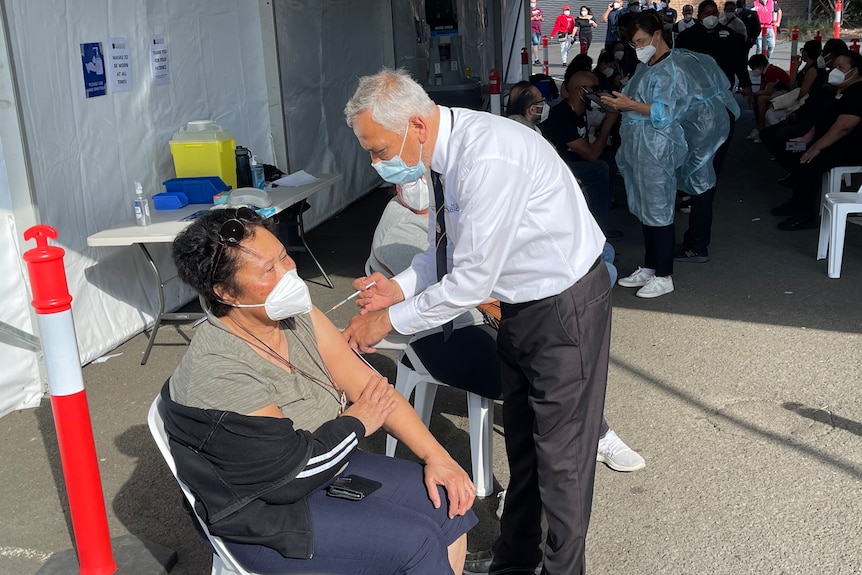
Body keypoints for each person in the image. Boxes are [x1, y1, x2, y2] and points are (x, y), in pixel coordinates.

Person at [343, 68, 611, 575]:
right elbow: (442, 250)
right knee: (528, 448)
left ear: (416, 124)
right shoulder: (443, 153)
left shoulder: (487, 157)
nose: (376, 162)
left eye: (378, 150)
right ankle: (515, 561)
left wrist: (387, 322)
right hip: (522, 307)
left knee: (563, 461)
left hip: (563, 305)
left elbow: (468, 282)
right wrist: (396, 287)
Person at [163, 207, 478, 575]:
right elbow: (290, 477)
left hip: (327, 462)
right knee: (416, 542)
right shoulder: (219, 368)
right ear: (224, 292)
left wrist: (439, 457)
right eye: (269, 270)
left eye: (284, 257)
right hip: (264, 512)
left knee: (449, 503)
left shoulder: (294, 314)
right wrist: (357, 420)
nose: (288, 275)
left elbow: (371, 391)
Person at [600, 12, 738, 298]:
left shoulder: (671, 70)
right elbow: (637, 101)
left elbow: (666, 112)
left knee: (660, 209)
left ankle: (664, 275)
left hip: (658, 147)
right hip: (639, 147)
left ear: (658, 35)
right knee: (645, 208)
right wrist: (618, 103)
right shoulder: (646, 66)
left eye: (641, 41)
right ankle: (650, 267)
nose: (637, 48)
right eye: (633, 43)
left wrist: (631, 104)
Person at [674, 0, 751, 263]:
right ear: (697, 16)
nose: (710, 18)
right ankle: (695, 239)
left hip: (703, 115)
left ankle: (696, 244)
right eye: (704, 14)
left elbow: (740, 64)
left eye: (713, 14)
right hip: (706, 112)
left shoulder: (729, 36)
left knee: (703, 182)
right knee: (702, 182)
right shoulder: (686, 37)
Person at [773, 51, 862, 231]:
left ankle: (805, 215)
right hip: (826, 141)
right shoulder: (840, 90)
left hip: (849, 147)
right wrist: (807, 139)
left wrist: (815, 147)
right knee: (791, 148)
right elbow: (823, 121)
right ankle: (796, 201)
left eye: (840, 67)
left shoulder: (858, 93)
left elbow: (843, 127)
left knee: (808, 161)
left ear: (854, 71)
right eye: (834, 66)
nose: (835, 71)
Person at [541, 70, 619, 234]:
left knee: (609, 159)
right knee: (599, 168)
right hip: (557, 165)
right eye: (593, 88)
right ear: (579, 90)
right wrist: (607, 124)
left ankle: (602, 215)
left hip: (571, 158)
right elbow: (590, 155)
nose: (596, 93)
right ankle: (596, 230)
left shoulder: (580, 110)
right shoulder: (561, 115)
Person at [764, 40, 827, 127]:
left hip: (803, 102)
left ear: (805, 53)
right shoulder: (807, 67)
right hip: (796, 98)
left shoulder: (813, 69)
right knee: (771, 112)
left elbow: (802, 92)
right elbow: (791, 86)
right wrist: (796, 67)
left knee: (770, 114)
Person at [747, 54, 791, 140]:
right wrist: (753, 95)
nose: (753, 71)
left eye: (753, 68)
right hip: (778, 91)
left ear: (760, 66)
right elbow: (762, 89)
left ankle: (761, 127)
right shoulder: (765, 71)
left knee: (761, 99)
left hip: (786, 93)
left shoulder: (771, 71)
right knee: (757, 98)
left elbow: (768, 92)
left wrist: (753, 94)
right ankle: (759, 124)